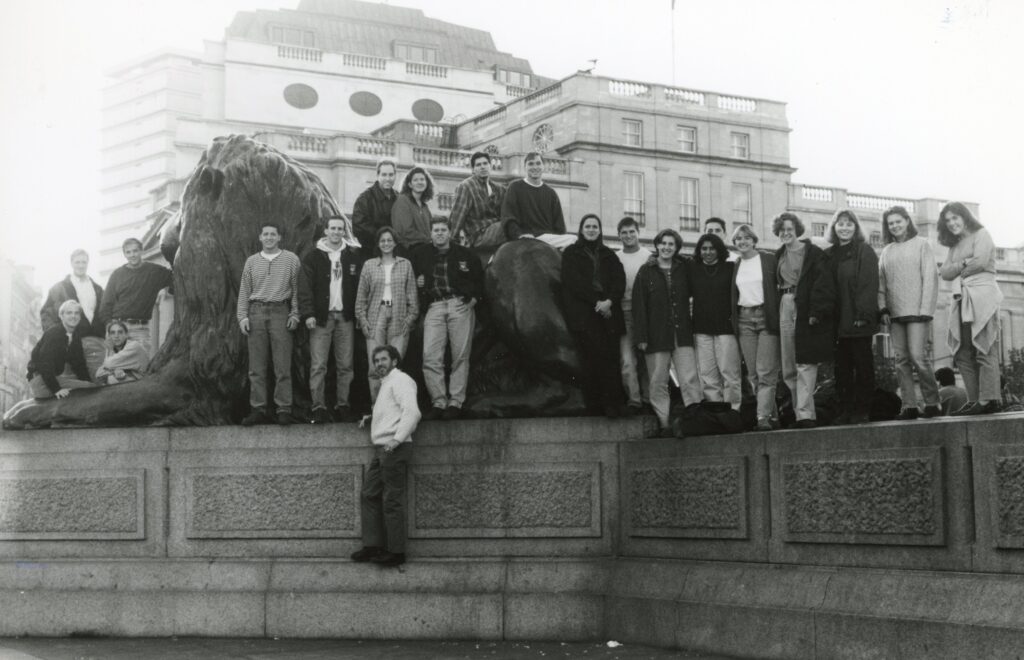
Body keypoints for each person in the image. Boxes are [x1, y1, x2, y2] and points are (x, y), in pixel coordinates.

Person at [350, 344, 422, 568]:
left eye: (383, 359)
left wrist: (397, 439)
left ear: (394, 361)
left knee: (391, 501)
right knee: (369, 494)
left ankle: (396, 552)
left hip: (394, 449)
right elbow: (393, 410)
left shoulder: (401, 380)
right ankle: (373, 546)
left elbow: (412, 412)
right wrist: (371, 417)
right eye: (376, 361)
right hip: (382, 449)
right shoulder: (387, 384)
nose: (379, 364)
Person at [409, 217, 484, 420]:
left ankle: (455, 402)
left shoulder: (465, 254)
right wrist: (419, 281)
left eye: (443, 230)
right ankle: (439, 402)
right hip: (434, 306)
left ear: (449, 233)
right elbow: (412, 277)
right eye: (436, 230)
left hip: (459, 304)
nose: (440, 233)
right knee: (431, 356)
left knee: (460, 356)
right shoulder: (420, 254)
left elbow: (480, 278)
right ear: (431, 233)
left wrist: (474, 299)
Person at [632, 228, 703, 434]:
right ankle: (664, 423)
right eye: (663, 243)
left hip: (682, 335)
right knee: (657, 381)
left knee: (689, 378)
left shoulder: (684, 269)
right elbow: (639, 306)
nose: (666, 247)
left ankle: (693, 421)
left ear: (677, 248)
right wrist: (642, 336)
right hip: (656, 336)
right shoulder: (646, 271)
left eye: (671, 244)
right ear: (657, 245)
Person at [938, 202, 1003, 416]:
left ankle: (989, 399)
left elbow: (982, 262)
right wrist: (964, 263)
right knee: (963, 352)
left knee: (984, 347)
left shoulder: (981, 234)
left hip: (982, 296)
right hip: (962, 297)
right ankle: (974, 400)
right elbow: (945, 272)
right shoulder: (954, 246)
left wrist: (960, 267)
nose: (952, 223)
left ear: (965, 217)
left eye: (955, 218)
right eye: (947, 220)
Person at [878, 205, 941, 419]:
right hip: (895, 312)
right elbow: (881, 283)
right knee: (901, 359)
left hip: (917, 311)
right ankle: (909, 405)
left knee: (917, 356)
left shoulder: (923, 245)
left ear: (907, 221)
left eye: (898, 221)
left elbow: (931, 278)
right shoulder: (886, 251)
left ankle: (933, 403)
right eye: (891, 223)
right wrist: (882, 308)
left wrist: (926, 310)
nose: (895, 226)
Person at [773, 212, 835, 429]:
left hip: (805, 307)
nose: (786, 233)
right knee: (788, 363)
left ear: (797, 230)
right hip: (785, 303)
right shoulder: (778, 255)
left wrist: (816, 312)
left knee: (805, 362)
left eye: (790, 229)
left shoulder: (814, 253)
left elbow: (823, 284)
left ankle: (806, 413)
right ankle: (797, 411)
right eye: (782, 230)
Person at [562, 214, 627, 417]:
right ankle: (595, 405)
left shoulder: (609, 254)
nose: (591, 230)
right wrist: (596, 302)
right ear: (581, 230)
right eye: (587, 226)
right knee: (590, 360)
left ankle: (614, 404)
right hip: (585, 313)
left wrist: (608, 301)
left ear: (600, 230)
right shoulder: (571, 253)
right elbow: (573, 281)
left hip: (608, 313)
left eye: (595, 226)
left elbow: (619, 280)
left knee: (610, 359)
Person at [299, 215, 362, 424]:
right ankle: (318, 406)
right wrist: (308, 314)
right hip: (321, 318)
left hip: (345, 317)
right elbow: (305, 288)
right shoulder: (313, 257)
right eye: (333, 228)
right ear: (325, 231)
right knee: (318, 365)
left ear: (344, 231)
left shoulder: (352, 255)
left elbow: (360, 288)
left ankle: (343, 405)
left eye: (340, 229)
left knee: (346, 365)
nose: (336, 232)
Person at [237, 223, 301, 426]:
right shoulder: (252, 261)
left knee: (282, 365)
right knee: (257, 367)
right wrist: (242, 316)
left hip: (280, 312)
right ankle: (258, 408)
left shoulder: (291, 259)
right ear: (260, 237)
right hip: (256, 312)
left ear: (279, 237)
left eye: (273, 234)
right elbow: (244, 291)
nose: (269, 237)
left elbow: (298, 289)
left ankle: (283, 408)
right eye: (266, 234)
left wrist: (295, 314)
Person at [824, 210, 879, 425]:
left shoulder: (864, 251)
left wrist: (863, 315)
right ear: (834, 227)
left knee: (862, 365)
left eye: (849, 224)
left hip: (857, 319)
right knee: (842, 368)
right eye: (840, 224)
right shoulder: (828, 254)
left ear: (855, 228)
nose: (844, 228)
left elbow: (868, 284)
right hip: (836, 322)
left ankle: (862, 409)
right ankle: (845, 409)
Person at [356, 226, 419, 402]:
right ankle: (377, 407)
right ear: (378, 244)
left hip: (399, 315)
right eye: (382, 241)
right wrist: (362, 319)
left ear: (395, 243)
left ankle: (394, 405)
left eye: (389, 240)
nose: (386, 244)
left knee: (395, 365)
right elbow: (361, 297)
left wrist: (410, 318)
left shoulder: (405, 264)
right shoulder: (369, 265)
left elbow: (412, 295)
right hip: (376, 315)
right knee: (375, 364)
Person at [730, 224, 781, 431]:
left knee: (765, 371)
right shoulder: (736, 264)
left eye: (746, 238)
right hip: (744, 319)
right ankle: (773, 416)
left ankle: (762, 418)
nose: (743, 241)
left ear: (754, 240)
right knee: (752, 373)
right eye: (738, 239)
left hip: (765, 317)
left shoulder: (768, 259)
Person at [691, 233, 742, 410]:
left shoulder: (731, 268)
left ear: (719, 250)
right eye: (704, 248)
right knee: (707, 375)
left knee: (729, 374)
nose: (708, 252)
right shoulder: (693, 268)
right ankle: (715, 413)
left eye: (712, 248)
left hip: (726, 329)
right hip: (702, 330)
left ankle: (733, 411)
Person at [96, 238, 173, 356]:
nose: (132, 255)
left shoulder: (154, 272)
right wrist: (110, 328)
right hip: (118, 328)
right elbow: (105, 305)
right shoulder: (117, 274)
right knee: (115, 369)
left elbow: (177, 277)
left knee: (139, 369)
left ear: (141, 251)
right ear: (124, 254)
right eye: (128, 252)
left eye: (135, 251)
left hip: (140, 329)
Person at [500, 152, 575, 250]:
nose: (535, 167)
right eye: (531, 164)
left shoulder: (551, 193)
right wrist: (519, 235)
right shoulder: (515, 187)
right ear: (525, 167)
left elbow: (559, 226)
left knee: (574, 240)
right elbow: (508, 217)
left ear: (543, 166)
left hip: (547, 239)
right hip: (525, 237)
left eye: (538, 163)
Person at [615, 216, 651, 415]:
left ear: (638, 233)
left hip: (645, 313)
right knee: (627, 361)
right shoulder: (616, 257)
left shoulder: (648, 256)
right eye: (624, 233)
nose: (628, 236)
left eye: (632, 232)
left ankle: (648, 399)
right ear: (619, 235)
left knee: (647, 360)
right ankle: (634, 400)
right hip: (624, 311)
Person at [26, 300, 97, 399]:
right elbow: (44, 363)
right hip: (40, 381)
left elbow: (79, 365)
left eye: (76, 313)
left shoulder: (75, 336)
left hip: (52, 378)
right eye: (69, 313)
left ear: (80, 317)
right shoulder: (54, 333)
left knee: (90, 386)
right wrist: (56, 389)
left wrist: (89, 382)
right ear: (61, 316)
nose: (73, 316)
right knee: (89, 387)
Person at [449, 151, 507, 248]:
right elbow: (457, 216)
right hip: (478, 234)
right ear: (473, 169)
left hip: (496, 229)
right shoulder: (466, 186)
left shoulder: (499, 189)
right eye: (478, 165)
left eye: (485, 163)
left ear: (490, 166)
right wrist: (452, 241)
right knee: (508, 226)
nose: (482, 167)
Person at [40, 249, 104, 337]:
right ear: (71, 263)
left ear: (88, 263)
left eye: (84, 262)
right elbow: (46, 314)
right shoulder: (58, 288)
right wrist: (56, 336)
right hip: (69, 340)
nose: (81, 266)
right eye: (77, 262)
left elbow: (104, 314)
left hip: (94, 340)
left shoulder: (98, 289)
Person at [351, 159, 398, 250]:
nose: (388, 178)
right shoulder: (364, 198)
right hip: (372, 251)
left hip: (395, 251)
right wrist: (383, 238)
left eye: (391, 175)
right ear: (377, 175)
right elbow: (359, 227)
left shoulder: (398, 197)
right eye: (384, 175)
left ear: (395, 175)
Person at [391, 166, 435, 252]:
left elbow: (431, 229)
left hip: (425, 249)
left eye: (422, 179)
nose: (419, 182)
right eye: (415, 180)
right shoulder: (402, 201)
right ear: (410, 184)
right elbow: (406, 231)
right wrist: (429, 240)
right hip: (408, 251)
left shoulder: (424, 206)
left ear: (427, 183)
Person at [94, 320, 149, 385]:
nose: (116, 336)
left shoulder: (134, 346)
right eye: (113, 333)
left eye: (120, 332)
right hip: (133, 380)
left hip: (144, 382)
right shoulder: (115, 348)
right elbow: (98, 373)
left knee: (110, 379)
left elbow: (108, 363)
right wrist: (115, 370)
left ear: (126, 334)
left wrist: (110, 349)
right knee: (106, 379)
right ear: (109, 336)